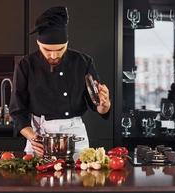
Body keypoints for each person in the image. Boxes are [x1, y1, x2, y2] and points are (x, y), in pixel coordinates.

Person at [9, 6, 111, 156]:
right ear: (38, 44)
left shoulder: (83, 62)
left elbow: (97, 106)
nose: (54, 55)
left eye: (60, 49)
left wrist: (105, 104)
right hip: (39, 135)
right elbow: (17, 111)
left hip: (75, 135)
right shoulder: (26, 65)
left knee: (79, 178)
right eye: (47, 50)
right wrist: (32, 137)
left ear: (67, 43)